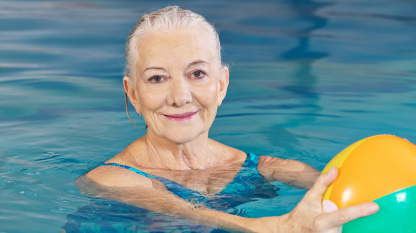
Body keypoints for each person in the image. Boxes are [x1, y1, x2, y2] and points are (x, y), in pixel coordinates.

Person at [71, 6, 379, 232]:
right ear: (133, 94)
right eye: (157, 78)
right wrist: (273, 226)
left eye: (197, 74)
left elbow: (347, 188)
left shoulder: (260, 168)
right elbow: (183, 211)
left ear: (221, 85)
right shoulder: (111, 179)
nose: (180, 96)